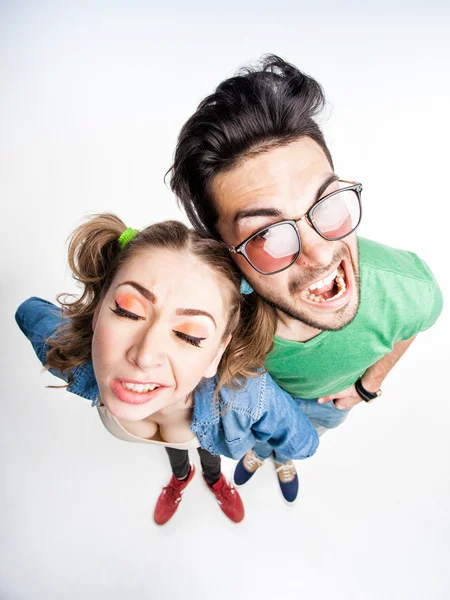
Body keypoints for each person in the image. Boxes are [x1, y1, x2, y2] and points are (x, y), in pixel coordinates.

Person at [168, 54, 443, 489]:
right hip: (266, 400)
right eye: (268, 235)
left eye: (327, 205)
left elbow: (417, 321)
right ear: (227, 253)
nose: (319, 253)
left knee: (302, 438)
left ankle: (283, 458)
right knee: (269, 434)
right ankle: (263, 450)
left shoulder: (406, 286)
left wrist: (368, 387)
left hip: (329, 404)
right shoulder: (214, 314)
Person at [15, 215, 319, 525]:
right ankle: (181, 478)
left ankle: (214, 480)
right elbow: (28, 312)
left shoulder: (248, 398)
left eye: (189, 335)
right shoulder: (70, 353)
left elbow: (303, 443)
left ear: (217, 351)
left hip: (204, 435)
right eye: (127, 311)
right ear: (98, 313)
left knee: (207, 454)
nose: (145, 356)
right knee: (175, 452)